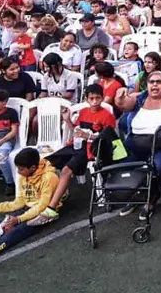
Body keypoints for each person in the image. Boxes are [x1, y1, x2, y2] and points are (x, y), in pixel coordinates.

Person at [113, 72, 161, 220]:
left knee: (157, 167)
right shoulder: (140, 98)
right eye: (152, 82)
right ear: (147, 84)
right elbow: (123, 105)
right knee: (123, 164)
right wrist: (120, 97)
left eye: (159, 82)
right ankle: (138, 193)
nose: (155, 85)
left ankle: (148, 200)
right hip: (138, 143)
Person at [40, 84, 117, 223]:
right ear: (87, 99)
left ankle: (51, 208)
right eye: (91, 98)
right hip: (77, 145)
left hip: (92, 150)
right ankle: (48, 197)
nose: (95, 101)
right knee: (47, 162)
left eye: (98, 98)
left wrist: (89, 137)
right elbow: (76, 130)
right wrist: (67, 119)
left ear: (102, 98)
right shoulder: (84, 112)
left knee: (66, 170)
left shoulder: (107, 115)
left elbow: (109, 139)